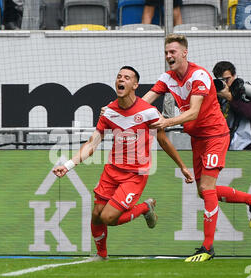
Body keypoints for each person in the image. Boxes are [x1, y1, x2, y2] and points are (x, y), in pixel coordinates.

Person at [145, 34, 251, 262]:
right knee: (203, 192)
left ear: (184, 53)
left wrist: (166, 122)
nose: (169, 56)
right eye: (166, 52)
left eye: (173, 52)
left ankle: (207, 249)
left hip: (215, 136)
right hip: (197, 138)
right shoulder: (167, 78)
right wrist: (122, 111)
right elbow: (146, 100)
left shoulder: (199, 75)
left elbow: (193, 112)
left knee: (208, 188)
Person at [53, 66, 194, 260]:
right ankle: (101, 256)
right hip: (112, 171)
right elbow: (92, 143)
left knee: (108, 218)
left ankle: (145, 207)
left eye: (127, 77)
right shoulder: (109, 112)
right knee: (96, 214)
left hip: (135, 175)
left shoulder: (149, 112)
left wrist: (182, 166)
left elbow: (163, 140)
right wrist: (68, 165)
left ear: (135, 85)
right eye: (119, 76)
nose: (121, 80)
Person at [212, 61, 251, 150]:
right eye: (221, 80)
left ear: (234, 76)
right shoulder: (219, 94)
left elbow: (250, 113)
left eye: (227, 79)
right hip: (227, 145)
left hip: (250, 146)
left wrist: (230, 98)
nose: (225, 83)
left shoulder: (247, 90)